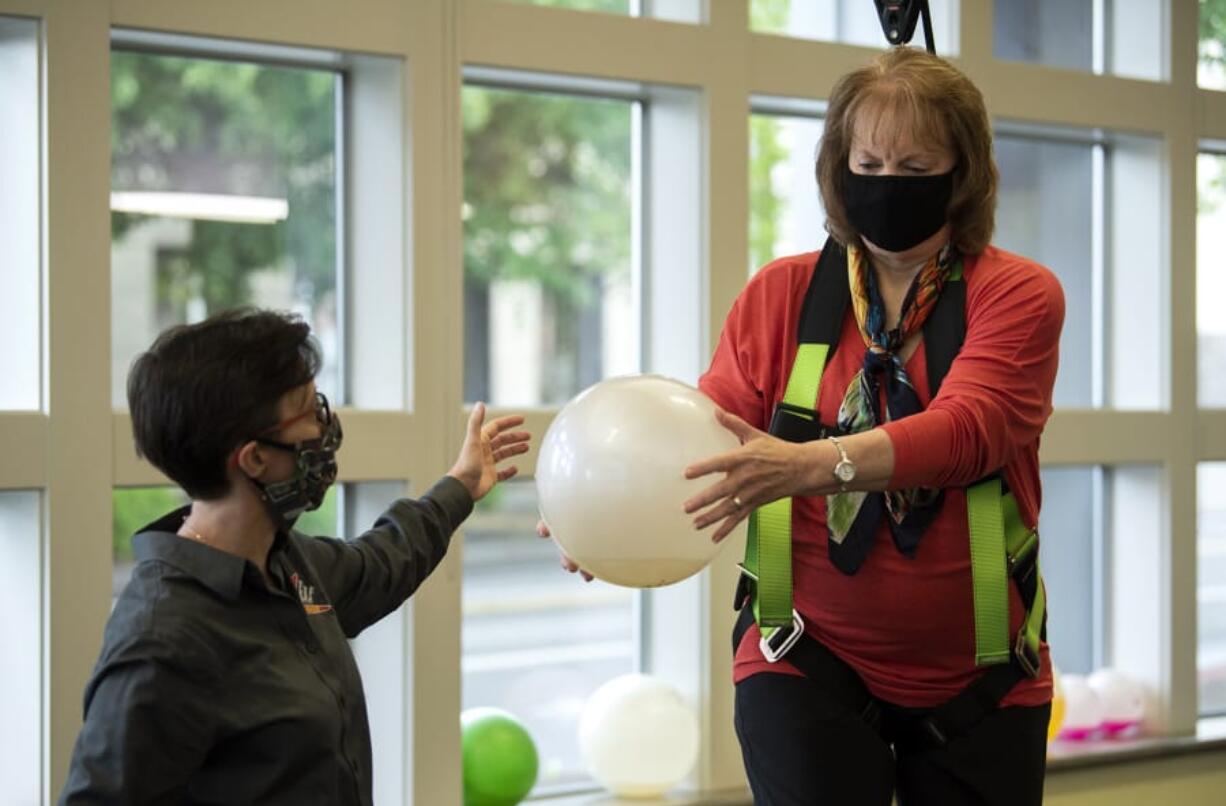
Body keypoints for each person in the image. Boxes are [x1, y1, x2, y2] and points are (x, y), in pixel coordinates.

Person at [549, 47, 1064, 805]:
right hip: (803, 656)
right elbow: (707, 434)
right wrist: (610, 513)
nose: (887, 183)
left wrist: (814, 464)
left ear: (963, 176)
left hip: (983, 677)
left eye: (915, 167)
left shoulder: (1016, 293)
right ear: (838, 165)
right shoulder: (781, 294)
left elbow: (970, 431)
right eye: (869, 161)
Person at [60, 309, 530, 805]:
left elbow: (379, 563)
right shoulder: (164, 643)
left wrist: (460, 486)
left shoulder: (284, 564)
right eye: (308, 412)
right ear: (255, 459)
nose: (325, 428)